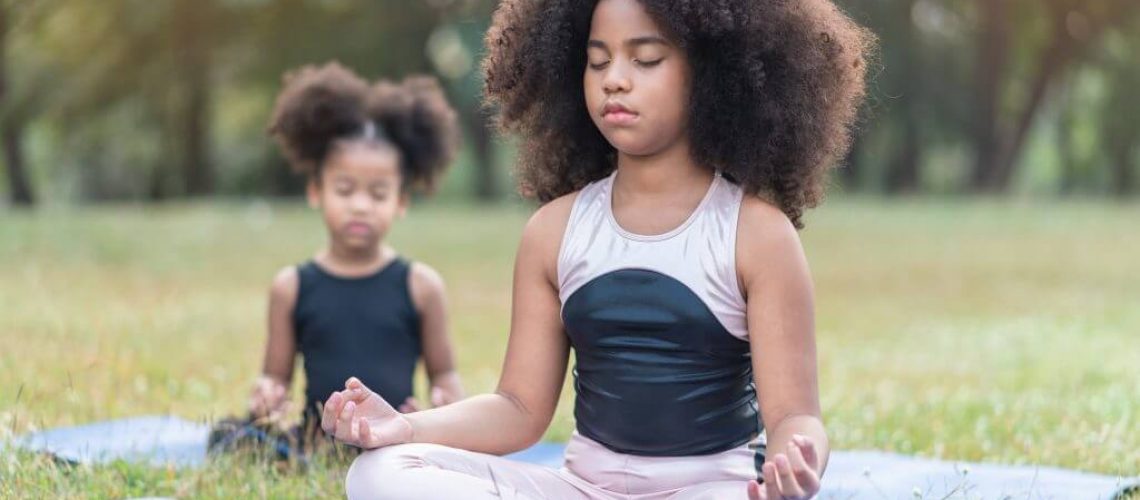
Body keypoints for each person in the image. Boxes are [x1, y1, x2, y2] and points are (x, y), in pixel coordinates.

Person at [323, 0, 871, 497]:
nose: (615, 81)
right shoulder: (553, 230)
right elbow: (518, 409)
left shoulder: (757, 234)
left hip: (713, 489)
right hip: (583, 488)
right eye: (598, 60)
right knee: (378, 473)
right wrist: (404, 426)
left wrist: (793, 467)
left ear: (711, 74)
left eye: (646, 59)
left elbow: (796, 416)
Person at [242, 62, 466, 452]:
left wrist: (441, 404)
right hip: (315, 446)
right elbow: (275, 379)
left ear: (401, 201)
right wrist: (267, 396)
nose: (360, 205)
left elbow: (444, 375)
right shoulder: (291, 287)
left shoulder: (421, 286)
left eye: (377, 194)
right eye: (345, 190)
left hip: (396, 442)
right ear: (316, 191)